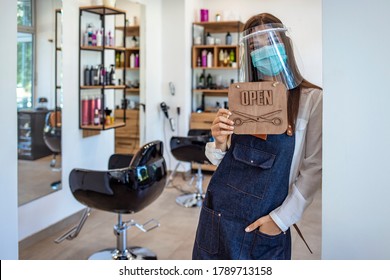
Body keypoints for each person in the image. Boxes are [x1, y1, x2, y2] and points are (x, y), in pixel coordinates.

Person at [192, 13, 322, 260]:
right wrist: (219, 141)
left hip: (264, 226)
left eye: (270, 41)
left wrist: (280, 220)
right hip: (217, 215)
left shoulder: (311, 100)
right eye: (255, 46)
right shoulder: (243, 98)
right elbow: (232, 162)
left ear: (285, 44)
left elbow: (314, 168)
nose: (264, 51)